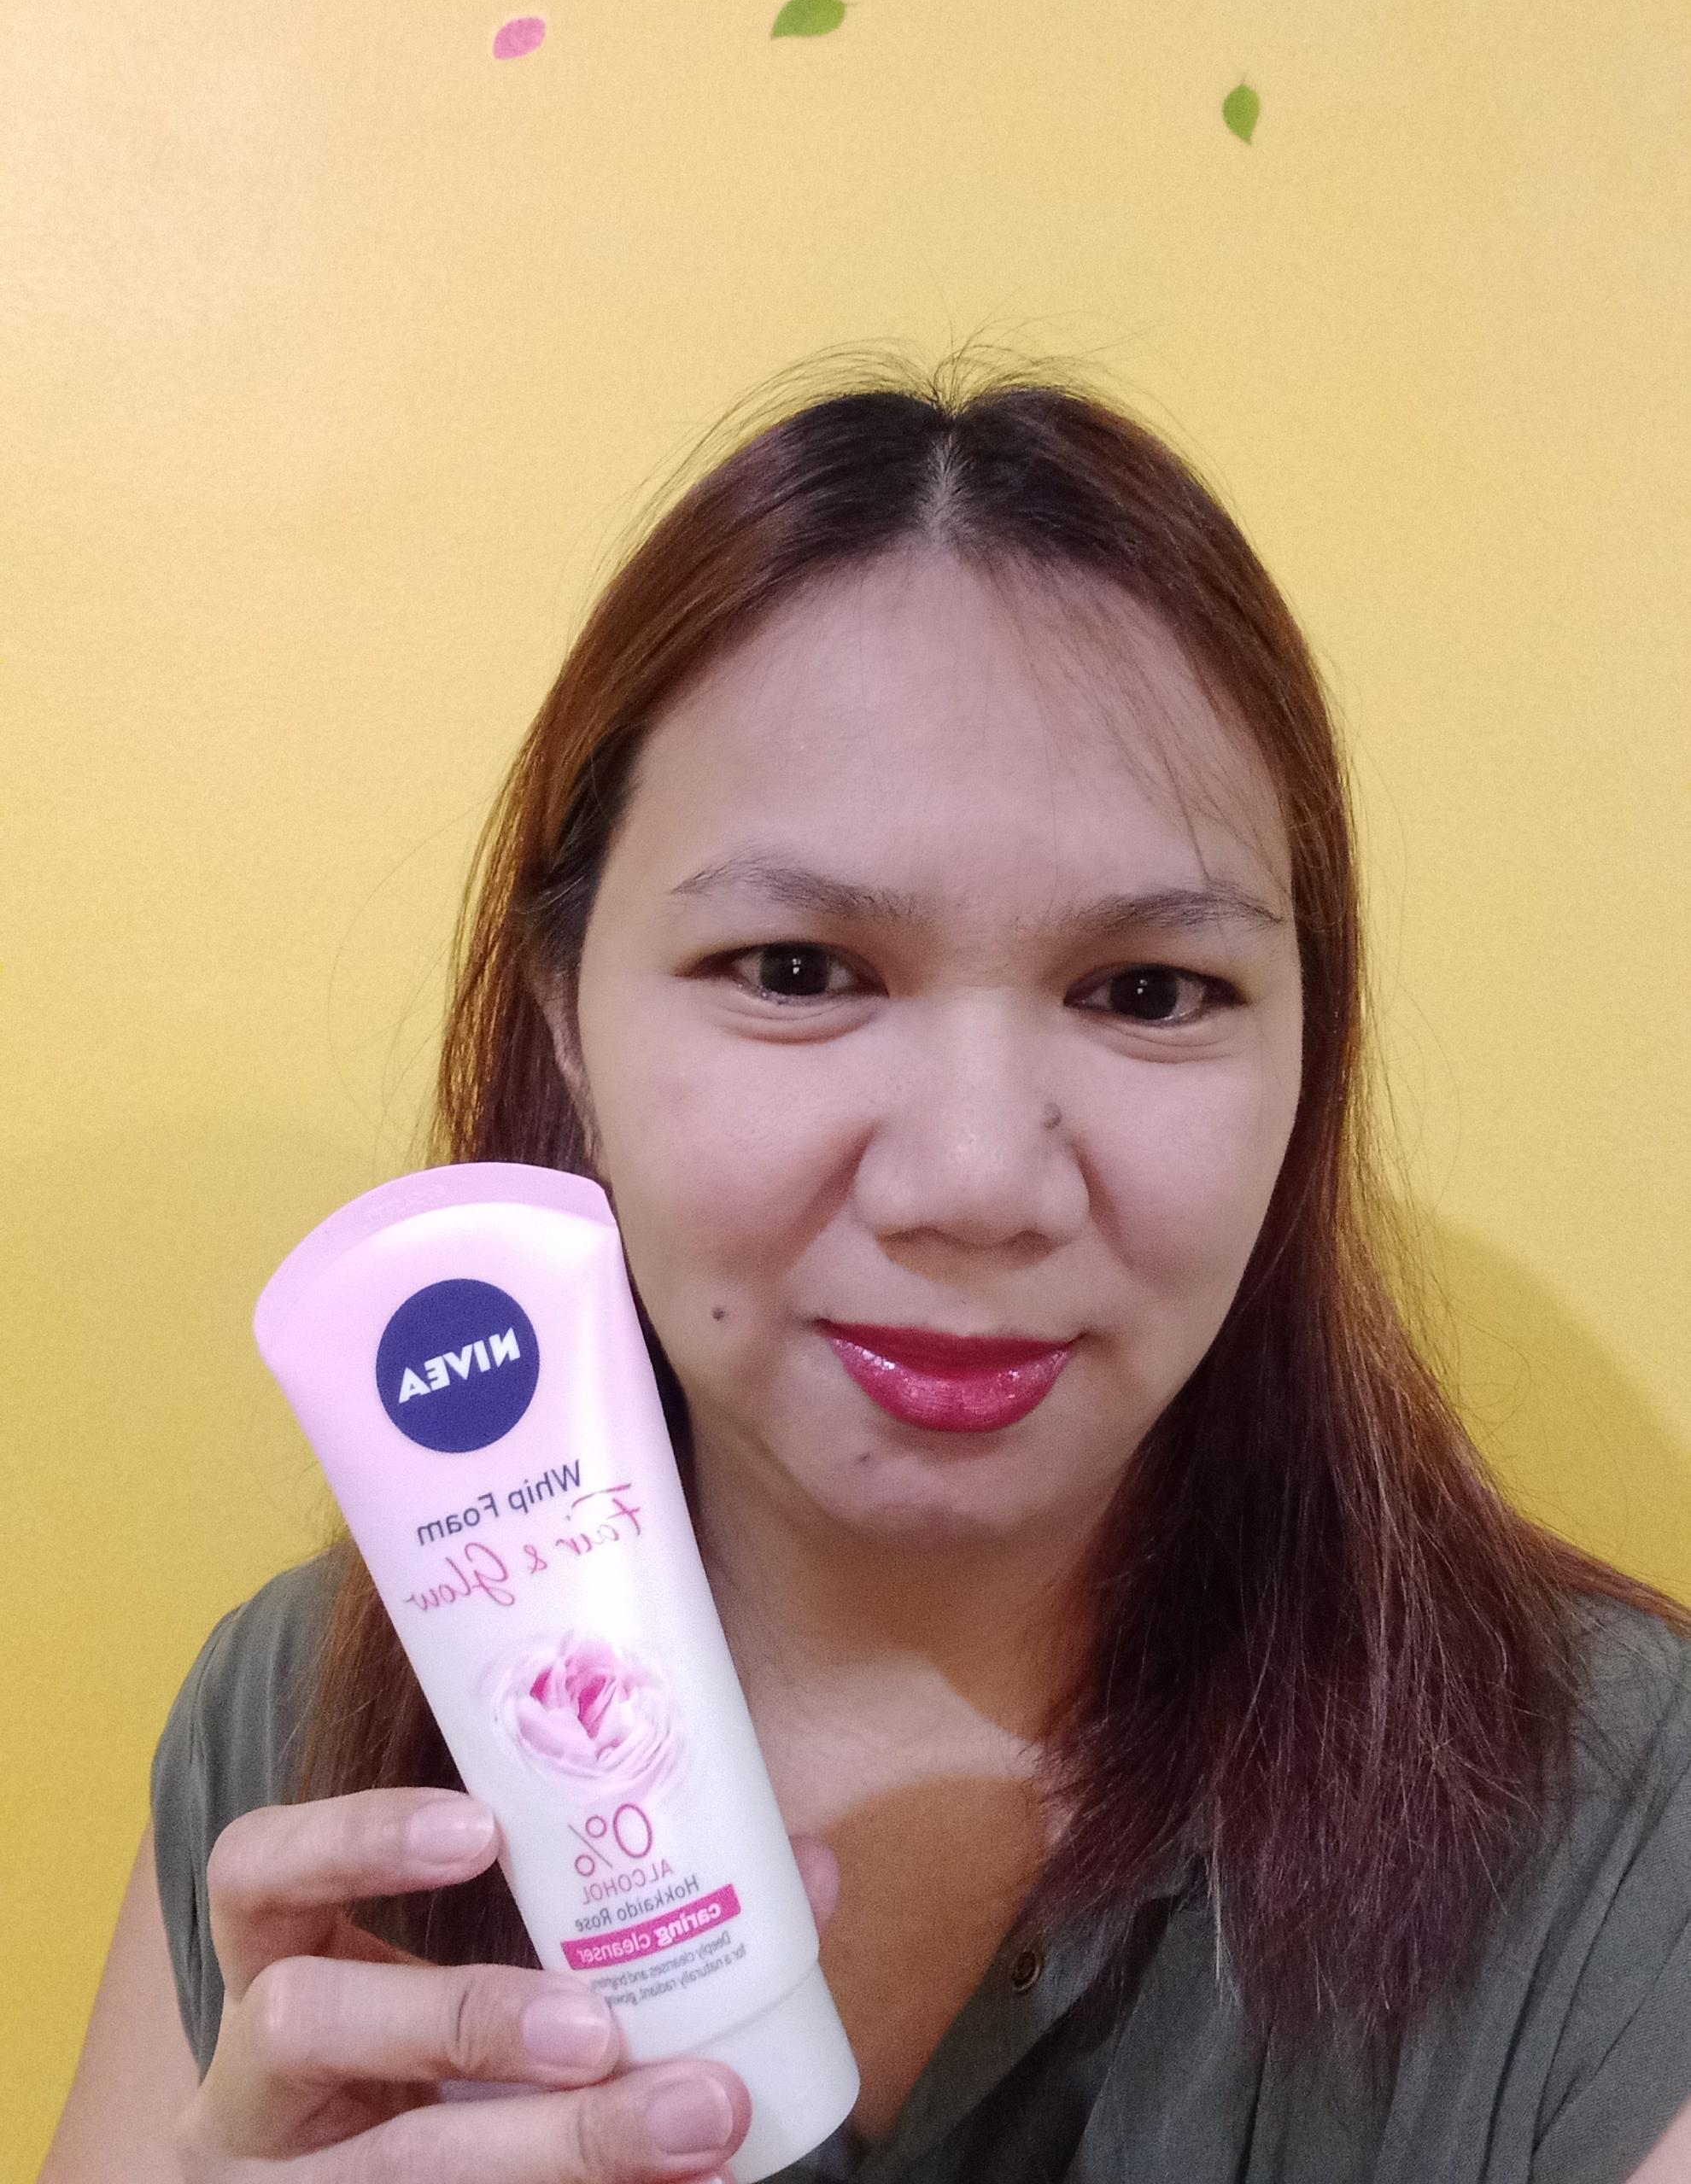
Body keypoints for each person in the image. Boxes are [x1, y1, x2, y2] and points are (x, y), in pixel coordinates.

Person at [39, 351, 1691, 2184]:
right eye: (799, 971)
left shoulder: (1627, 1817)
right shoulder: (304, 1719)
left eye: (1150, 991)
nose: (974, 1183)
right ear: (566, 1018)